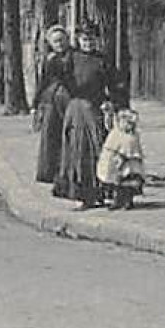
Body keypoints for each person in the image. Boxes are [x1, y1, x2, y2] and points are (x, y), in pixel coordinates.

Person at [52, 23, 109, 209]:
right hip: (76, 109)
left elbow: (114, 84)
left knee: (97, 148)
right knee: (77, 151)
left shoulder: (102, 60)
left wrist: (111, 103)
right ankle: (80, 194)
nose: (88, 43)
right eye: (84, 39)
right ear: (78, 40)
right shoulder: (71, 58)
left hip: (95, 109)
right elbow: (59, 78)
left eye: (91, 39)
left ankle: (99, 192)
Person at [33, 24, 72, 185]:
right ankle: (50, 171)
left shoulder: (73, 57)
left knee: (67, 134)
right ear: (51, 43)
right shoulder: (49, 60)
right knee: (50, 134)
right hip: (50, 99)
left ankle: (66, 170)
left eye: (62, 40)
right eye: (56, 41)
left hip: (68, 98)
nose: (60, 44)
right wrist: (36, 104)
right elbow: (42, 83)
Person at [96, 107, 146, 211]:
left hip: (130, 165)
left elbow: (133, 149)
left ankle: (128, 201)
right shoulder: (116, 134)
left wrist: (128, 156)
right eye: (126, 123)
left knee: (128, 183)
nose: (128, 126)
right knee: (117, 184)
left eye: (131, 124)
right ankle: (117, 201)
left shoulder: (133, 136)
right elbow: (110, 146)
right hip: (116, 163)